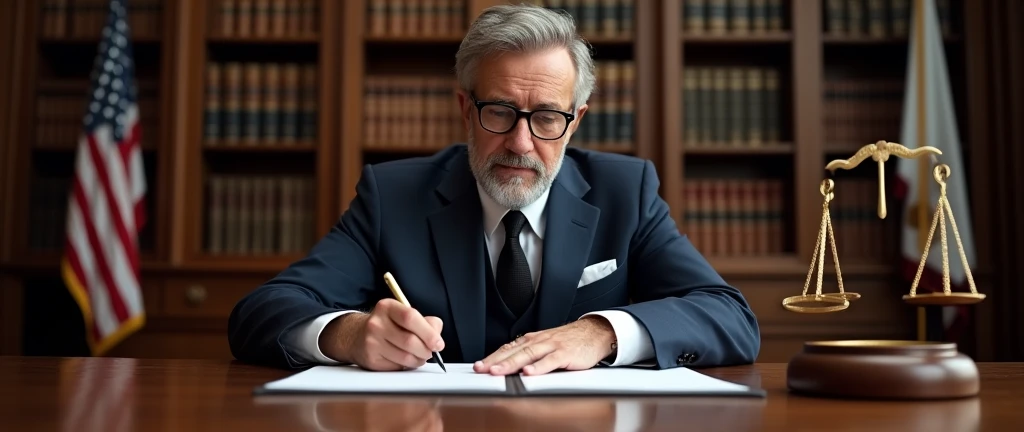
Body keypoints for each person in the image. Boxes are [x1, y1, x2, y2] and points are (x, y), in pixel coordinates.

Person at [228, 4, 759, 375]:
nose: (522, 144)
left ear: (576, 123)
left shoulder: (626, 191)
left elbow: (731, 318)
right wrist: (345, 335)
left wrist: (603, 332)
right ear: (465, 109)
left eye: (549, 117)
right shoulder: (392, 195)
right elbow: (262, 311)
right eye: (500, 112)